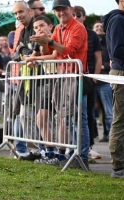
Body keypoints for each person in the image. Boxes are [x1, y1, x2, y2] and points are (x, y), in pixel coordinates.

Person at [30, 0, 89, 170]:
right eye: (57, 10)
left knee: (78, 119)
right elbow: (51, 53)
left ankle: (81, 157)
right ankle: (73, 156)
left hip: (75, 76)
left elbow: (68, 50)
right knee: (68, 119)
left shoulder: (78, 27)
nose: (60, 12)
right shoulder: (58, 28)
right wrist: (42, 43)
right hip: (63, 76)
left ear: (70, 9)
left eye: (63, 9)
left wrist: (47, 42)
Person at [12, 0, 46, 161]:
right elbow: (15, 54)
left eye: (20, 12)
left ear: (29, 12)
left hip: (42, 80)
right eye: (15, 13)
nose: (18, 15)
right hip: (27, 80)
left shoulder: (37, 26)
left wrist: (22, 51)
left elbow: (35, 52)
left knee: (44, 118)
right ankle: (34, 152)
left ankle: (50, 152)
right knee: (25, 116)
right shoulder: (22, 30)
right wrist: (23, 51)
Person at [72, 5, 102, 160]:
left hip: (88, 79)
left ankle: (88, 147)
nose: (76, 17)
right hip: (72, 78)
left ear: (84, 17)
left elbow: (98, 57)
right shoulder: (69, 32)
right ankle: (74, 147)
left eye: (78, 15)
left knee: (88, 114)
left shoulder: (92, 35)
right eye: (74, 15)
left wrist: (95, 77)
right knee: (72, 115)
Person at [102, 0, 124, 178]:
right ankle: (118, 166)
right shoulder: (118, 19)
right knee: (120, 119)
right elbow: (117, 50)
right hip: (121, 73)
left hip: (119, 71)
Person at [92, 20, 113, 143]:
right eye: (96, 26)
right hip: (92, 81)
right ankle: (93, 135)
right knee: (91, 111)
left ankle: (111, 136)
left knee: (108, 111)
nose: (99, 28)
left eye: (101, 26)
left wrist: (103, 66)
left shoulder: (109, 43)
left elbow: (113, 61)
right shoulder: (90, 42)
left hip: (105, 80)